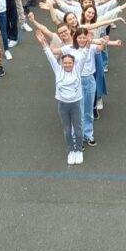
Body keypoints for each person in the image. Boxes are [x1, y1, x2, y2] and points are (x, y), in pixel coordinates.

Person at [36, 30, 85, 165]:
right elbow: (50, 57)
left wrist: (87, 44)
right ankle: (71, 150)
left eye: (70, 63)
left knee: (78, 128)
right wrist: (44, 43)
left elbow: (84, 55)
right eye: (65, 63)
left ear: (74, 64)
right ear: (62, 63)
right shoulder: (58, 70)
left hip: (75, 103)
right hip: (62, 104)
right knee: (67, 129)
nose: (68, 65)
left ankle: (79, 149)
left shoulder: (78, 70)